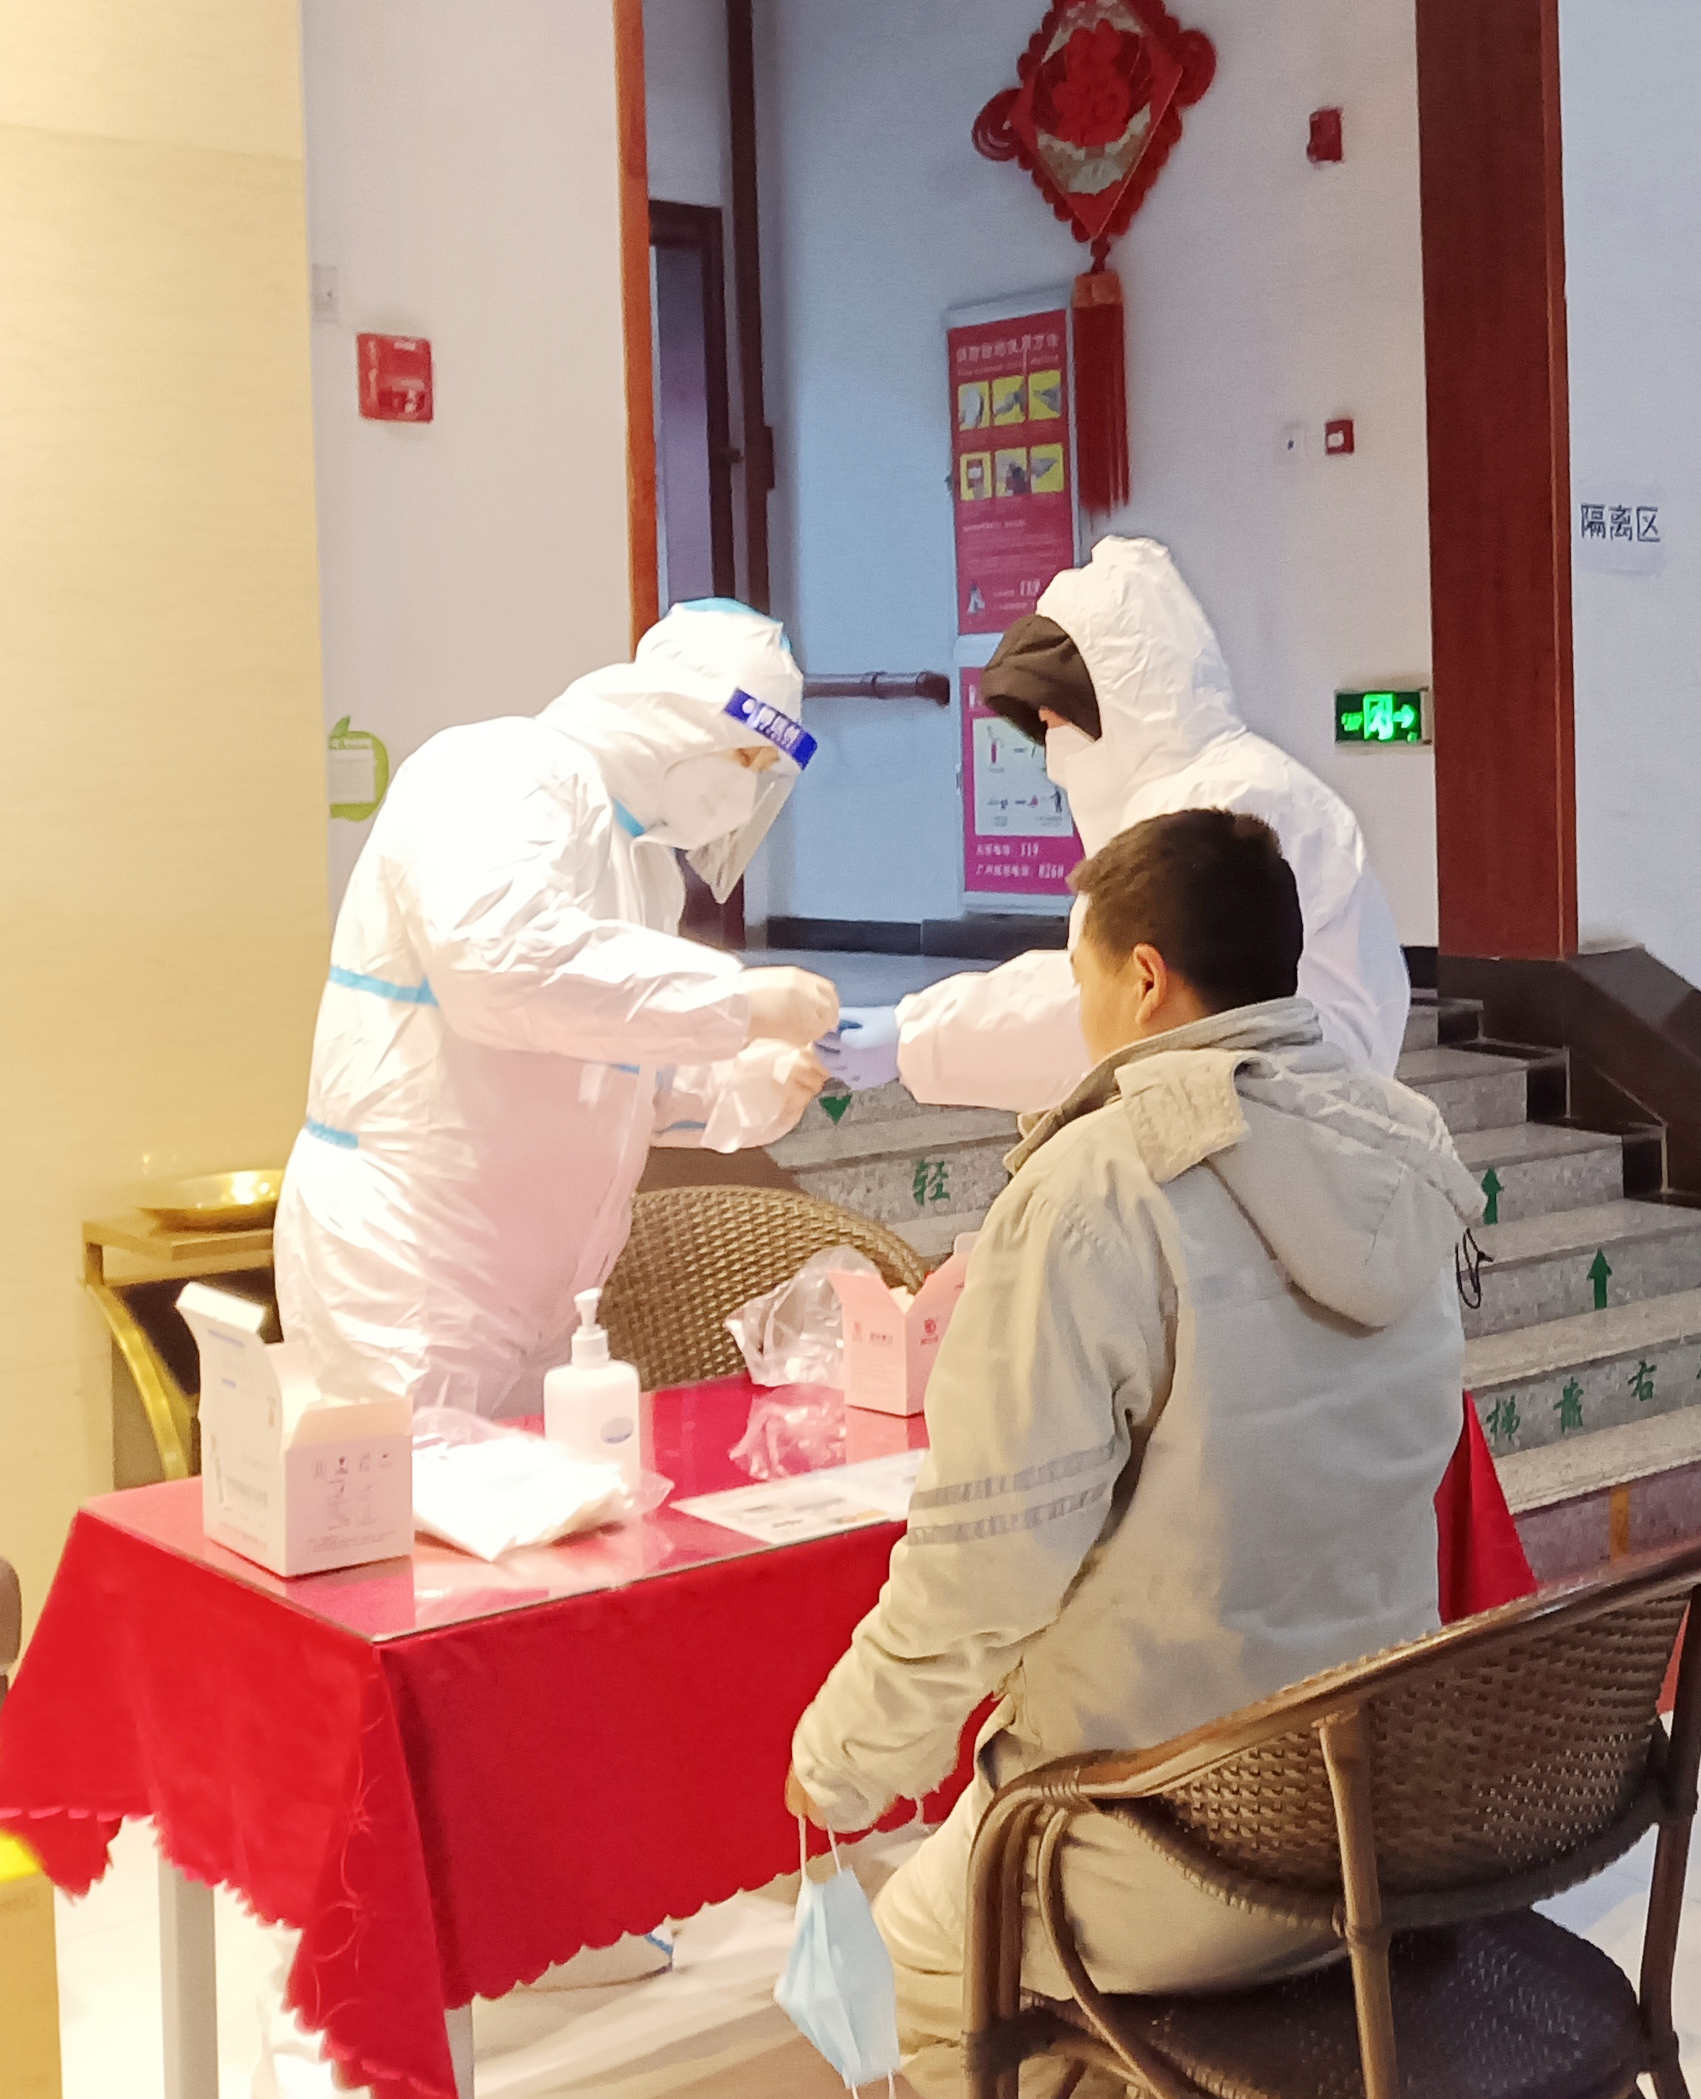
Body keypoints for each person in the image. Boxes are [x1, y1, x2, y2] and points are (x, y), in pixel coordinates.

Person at [786, 809, 1477, 2098]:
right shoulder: (1404, 1145)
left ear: (1145, 976)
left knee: (905, 1966)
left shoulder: (1096, 1188)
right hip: (1388, 1813)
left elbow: (986, 1565)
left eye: (1082, 975)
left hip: (1174, 1842)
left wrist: (838, 1763)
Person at [277, 601, 845, 1419]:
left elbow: (615, 1065)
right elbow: (498, 968)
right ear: (680, 718)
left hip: (539, 1293)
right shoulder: (498, 771)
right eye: (745, 757)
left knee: (527, 1498)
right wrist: (734, 999)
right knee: (418, 1495)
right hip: (409, 1268)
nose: (745, 790)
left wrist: (754, 1081)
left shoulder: (640, 867)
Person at [814, 536, 1408, 1103]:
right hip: (1277, 1103)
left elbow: (1116, 1002)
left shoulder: (1218, 803)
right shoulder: (1220, 783)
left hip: (1275, 1103)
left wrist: (918, 1037)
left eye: (1055, 720)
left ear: (1112, 704)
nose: (1052, 750)